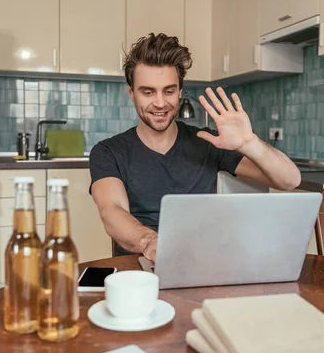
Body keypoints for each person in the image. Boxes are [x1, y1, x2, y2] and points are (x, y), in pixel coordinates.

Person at [89, 33, 301, 262]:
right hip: (140, 270)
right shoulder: (108, 152)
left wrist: (250, 144)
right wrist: (150, 242)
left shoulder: (207, 142)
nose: (160, 103)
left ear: (180, 92)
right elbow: (111, 211)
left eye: (169, 91)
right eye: (148, 92)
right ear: (132, 93)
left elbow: (289, 180)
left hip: (202, 264)